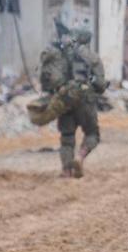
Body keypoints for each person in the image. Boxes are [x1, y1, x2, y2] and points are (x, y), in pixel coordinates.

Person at [40, 26, 107, 179]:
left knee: (67, 138)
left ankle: (66, 171)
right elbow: (101, 84)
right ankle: (80, 156)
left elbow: (52, 79)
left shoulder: (62, 55)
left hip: (65, 99)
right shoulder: (92, 57)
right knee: (92, 134)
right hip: (85, 100)